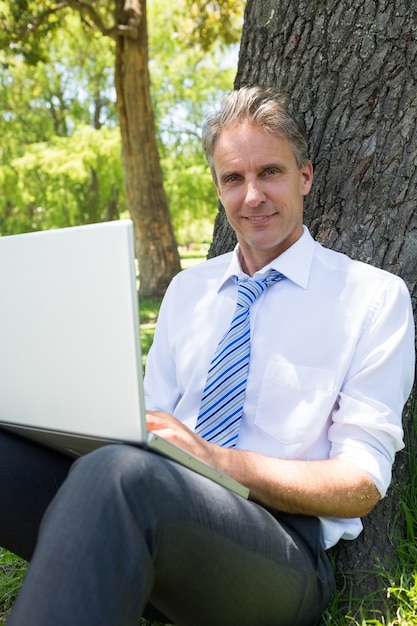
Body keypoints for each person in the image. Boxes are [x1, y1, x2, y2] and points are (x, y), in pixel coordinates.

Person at [1, 86, 414, 626]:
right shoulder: (187, 291)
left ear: (305, 176)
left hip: (282, 554)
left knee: (124, 473)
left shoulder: (371, 297)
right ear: (218, 188)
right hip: (157, 511)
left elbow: (361, 484)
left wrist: (216, 461)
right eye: (233, 179)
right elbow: (139, 426)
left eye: (270, 172)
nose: (252, 197)